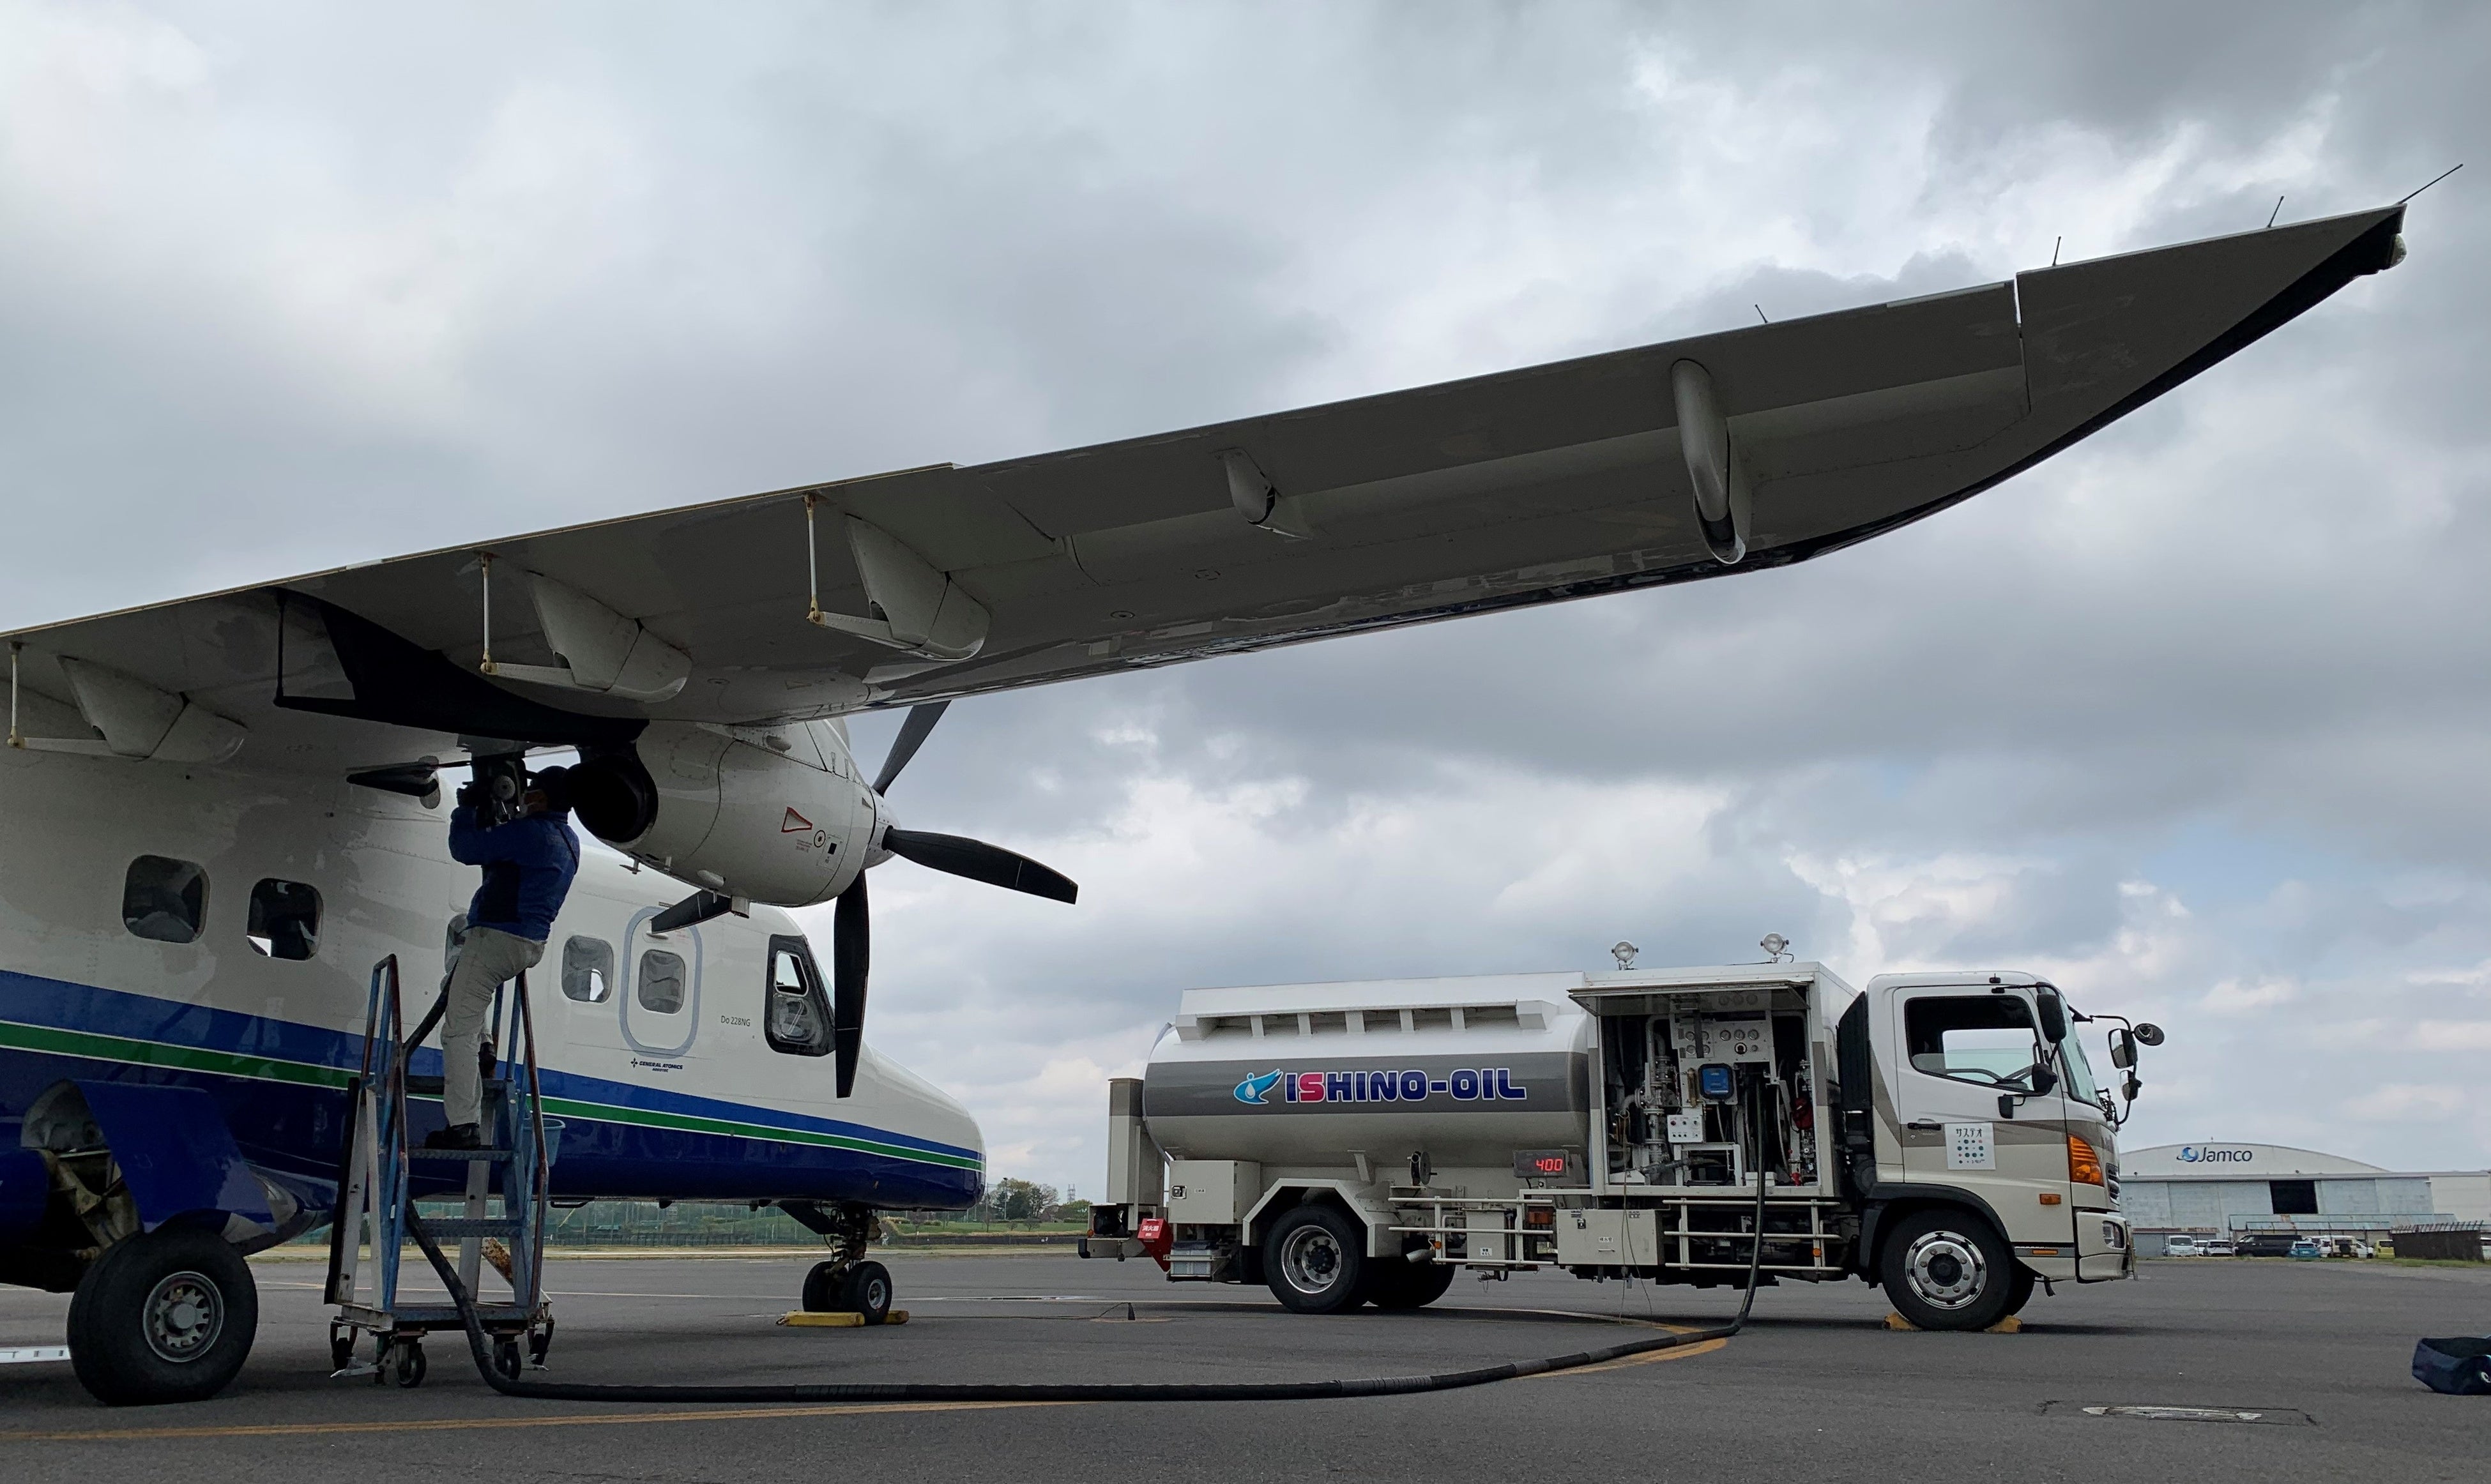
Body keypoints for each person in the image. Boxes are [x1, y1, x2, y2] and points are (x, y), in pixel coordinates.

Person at [428, 766, 581, 1150]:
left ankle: (463, 1125)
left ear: (541, 798)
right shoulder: (567, 839)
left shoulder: (531, 834)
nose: (526, 796)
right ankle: (484, 1048)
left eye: (532, 792)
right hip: (527, 943)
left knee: (455, 1028)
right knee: (457, 985)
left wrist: (464, 811)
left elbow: (466, 849)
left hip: (497, 937)